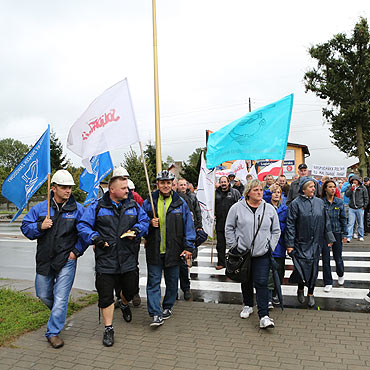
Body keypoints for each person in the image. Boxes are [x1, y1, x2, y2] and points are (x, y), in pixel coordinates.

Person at [77, 175, 150, 347]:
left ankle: (124, 303)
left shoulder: (133, 205)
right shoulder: (97, 207)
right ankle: (108, 328)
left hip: (128, 259)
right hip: (106, 260)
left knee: (131, 290)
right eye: (124, 188)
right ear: (112, 190)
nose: (128, 191)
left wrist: (137, 230)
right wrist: (95, 238)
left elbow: (144, 221)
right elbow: (82, 225)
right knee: (105, 297)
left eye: (127, 188)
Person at [21, 170, 87, 349]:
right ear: (54, 188)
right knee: (43, 294)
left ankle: (53, 332)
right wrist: (39, 226)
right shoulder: (41, 208)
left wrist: (76, 252)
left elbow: (85, 232)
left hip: (67, 260)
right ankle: (59, 313)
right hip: (44, 259)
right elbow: (26, 227)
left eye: (70, 188)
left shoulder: (78, 209)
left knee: (60, 298)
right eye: (64, 187)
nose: (68, 191)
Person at [142, 170, 196, 327]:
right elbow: (140, 222)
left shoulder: (180, 203)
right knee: (153, 282)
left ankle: (167, 306)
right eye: (162, 182)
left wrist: (188, 247)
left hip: (174, 250)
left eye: (168, 182)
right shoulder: (149, 202)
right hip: (154, 249)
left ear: (172, 184)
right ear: (157, 184)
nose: (165, 185)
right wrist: (149, 224)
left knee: (172, 281)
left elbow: (189, 226)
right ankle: (155, 313)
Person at [225, 179, 281, 329]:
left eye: (261, 190)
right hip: (243, 252)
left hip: (262, 253)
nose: (259, 193)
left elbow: (276, 230)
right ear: (248, 192)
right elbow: (229, 227)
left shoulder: (269, 209)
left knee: (261, 282)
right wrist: (234, 245)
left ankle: (264, 315)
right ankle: (248, 304)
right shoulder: (237, 208)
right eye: (256, 190)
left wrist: (271, 245)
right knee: (246, 279)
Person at [285, 177, 335, 307]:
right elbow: (290, 224)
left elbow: (326, 220)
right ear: (303, 189)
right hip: (301, 242)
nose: (314, 188)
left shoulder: (319, 203)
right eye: (311, 186)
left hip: (316, 242)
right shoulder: (295, 204)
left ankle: (311, 293)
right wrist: (289, 244)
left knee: (313, 268)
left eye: (314, 186)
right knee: (301, 268)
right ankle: (301, 288)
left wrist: (329, 238)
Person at [177, 178, 203, 301]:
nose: (182, 186)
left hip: (189, 230)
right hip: (177, 233)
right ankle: (175, 290)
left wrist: (199, 226)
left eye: (184, 184)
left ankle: (186, 288)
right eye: (180, 185)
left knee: (186, 262)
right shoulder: (174, 198)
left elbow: (197, 212)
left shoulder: (192, 197)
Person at [263, 184, 288, 307]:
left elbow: (288, 226)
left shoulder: (284, 209)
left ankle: (275, 292)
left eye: (278, 192)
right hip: (268, 244)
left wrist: (278, 228)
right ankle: (268, 296)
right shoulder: (265, 207)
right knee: (269, 272)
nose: (276, 194)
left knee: (279, 271)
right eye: (274, 192)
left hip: (281, 245)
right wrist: (269, 190)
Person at [321, 180, 346, 292]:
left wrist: (344, 234)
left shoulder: (339, 202)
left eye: (334, 187)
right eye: (330, 187)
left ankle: (340, 274)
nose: (332, 189)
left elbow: (343, 219)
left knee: (338, 257)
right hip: (325, 233)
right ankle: (328, 282)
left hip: (337, 232)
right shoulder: (321, 202)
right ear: (325, 189)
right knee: (326, 259)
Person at [215, 176, 241, 269]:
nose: (223, 183)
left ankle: (235, 263)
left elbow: (240, 205)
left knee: (234, 244)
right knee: (220, 245)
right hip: (220, 223)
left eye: (225, 182)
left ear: (228, 182)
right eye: (221, 182)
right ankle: (221, 263)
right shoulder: (215, 193)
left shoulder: (235, 192)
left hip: (233, 224)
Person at [345, 175, 368, 242]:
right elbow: (347, 194)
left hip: (360, 208)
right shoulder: (350, 187)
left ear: (358, 181)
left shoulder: (363, 188)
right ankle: (349, 236)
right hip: (352, 208)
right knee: (350, 223)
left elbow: (366, 197)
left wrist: (364, 206)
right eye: (353, 181)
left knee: (360, 223)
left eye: (355, 180)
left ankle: (360, 236)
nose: (354, 182)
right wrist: (351, 189)